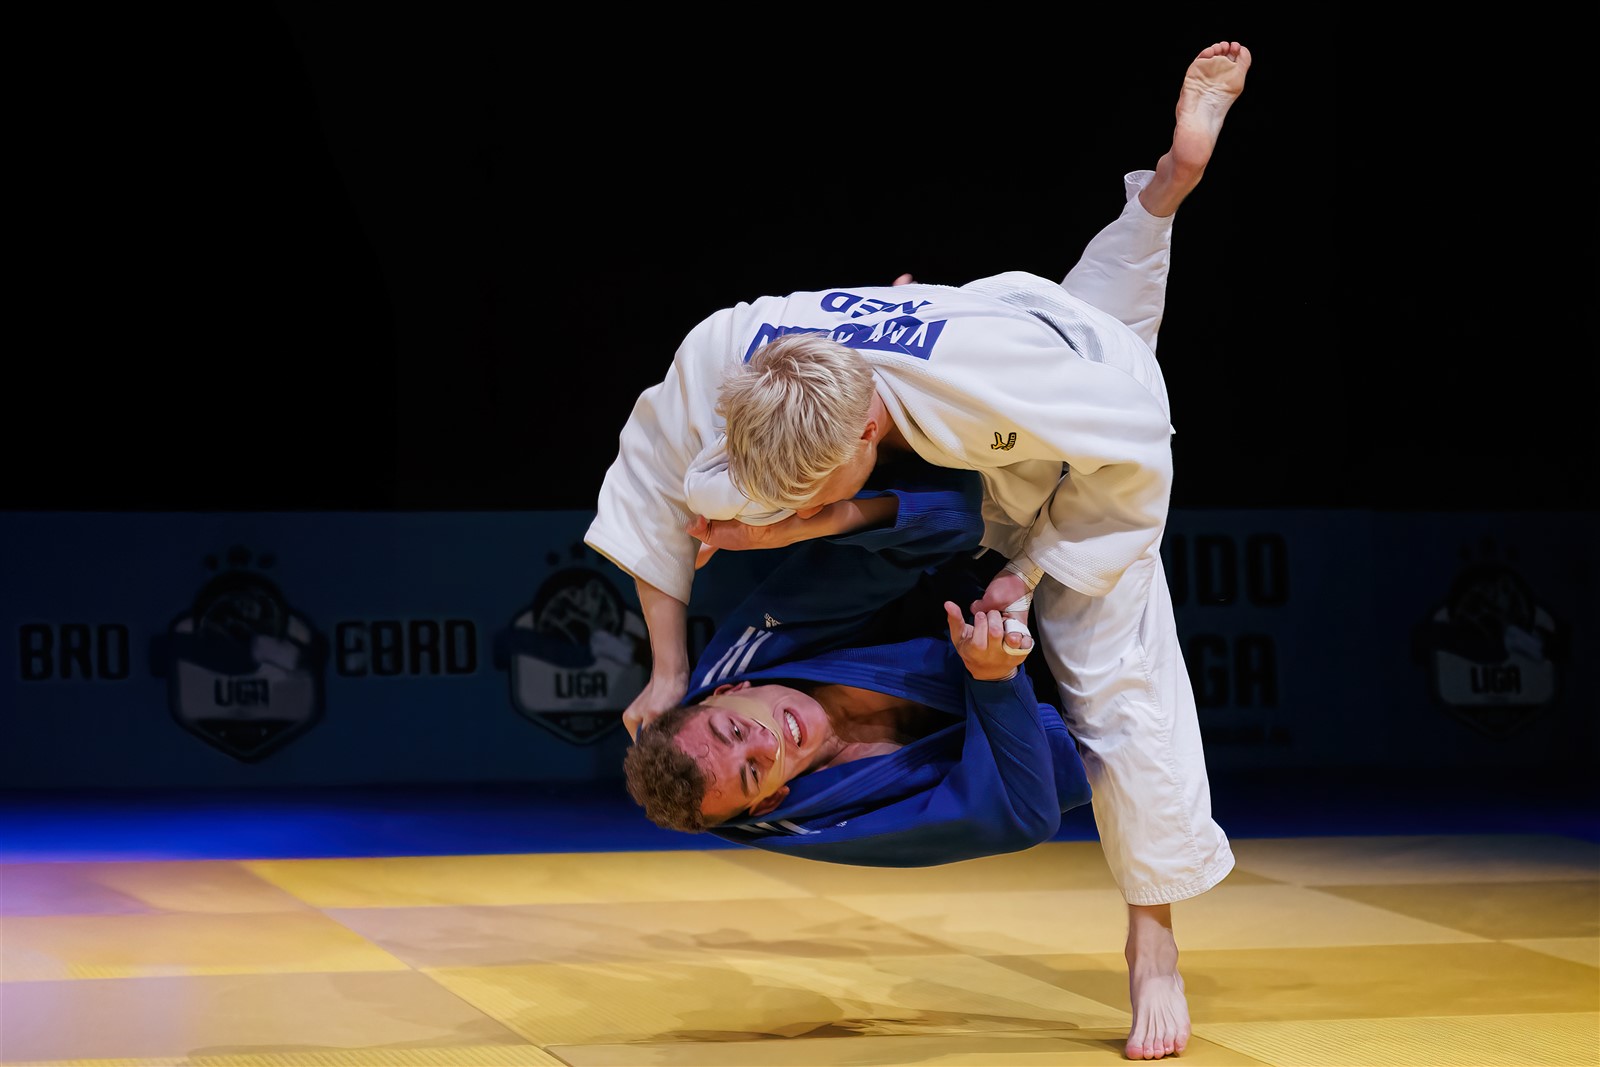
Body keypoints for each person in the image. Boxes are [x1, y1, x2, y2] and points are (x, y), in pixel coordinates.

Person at [587, 41, 1251, 1061]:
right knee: (725, 490)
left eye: (730, 738)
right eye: (749, 764)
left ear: (865, 439)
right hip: (993, 331)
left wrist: (1024, 581)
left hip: (1064, 405)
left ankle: (1150, 941)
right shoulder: (741, 346)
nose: (761, 739)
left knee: (1119, 668)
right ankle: (1166, 188)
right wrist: (671, 658)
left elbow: (1130, 478)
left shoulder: (1027, 398)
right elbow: (647, 477)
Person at [624, 458, 1092, 866]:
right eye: (752, 773)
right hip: (1082, 730)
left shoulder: (762, 640)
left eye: (736, 731)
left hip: (1014, 578)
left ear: (730, 691)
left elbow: (945, 513)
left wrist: (802, 525)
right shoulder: (829, 817)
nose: (764, 743)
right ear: (769, 801)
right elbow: (1027, 815)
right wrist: (994, 679)